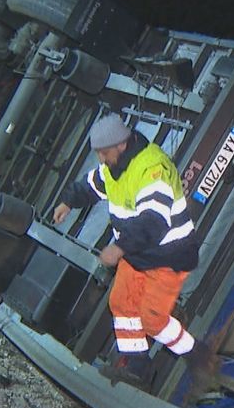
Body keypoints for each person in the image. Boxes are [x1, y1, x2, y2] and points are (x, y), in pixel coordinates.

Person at [52, 114, 200, 384]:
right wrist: (67, 202)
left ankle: (196, 354)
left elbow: (153, 223)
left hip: (169, 255)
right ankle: (136, 369)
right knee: (121, 303)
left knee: (152, 319)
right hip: (138, 253)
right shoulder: (112, 168)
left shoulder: (151, 168)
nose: (100, 159)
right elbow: (90, 186)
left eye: (104, 152)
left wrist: (119, 248)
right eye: (98, 153)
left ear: (121, 145)